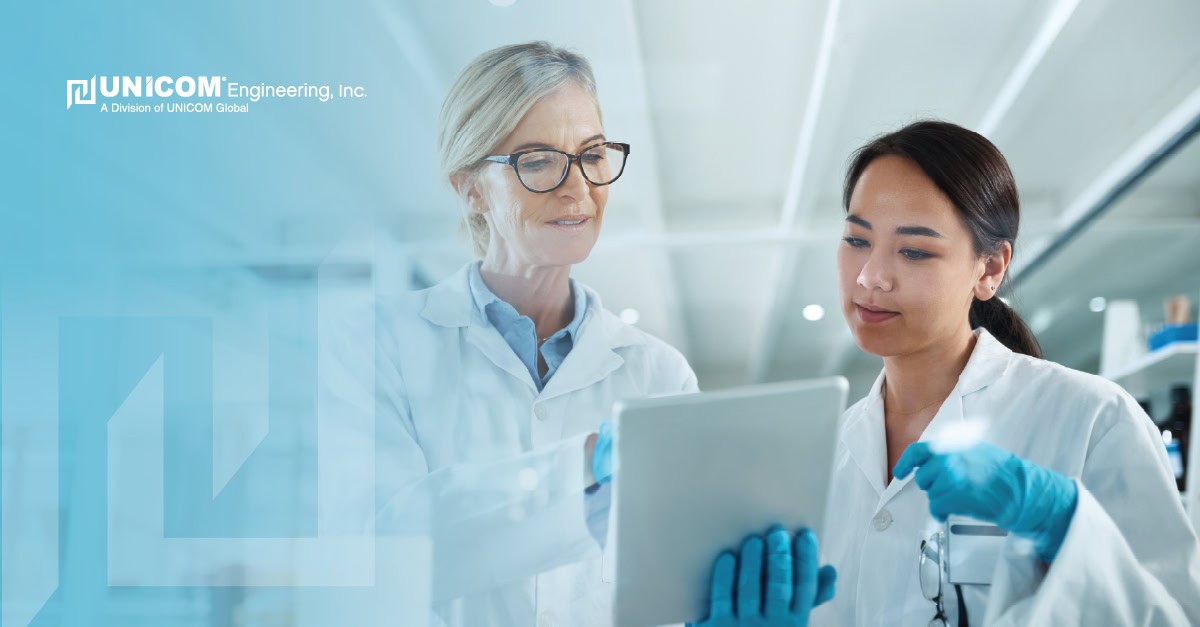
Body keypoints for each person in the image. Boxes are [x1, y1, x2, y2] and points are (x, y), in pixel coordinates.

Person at [691, 120, 1200, 626]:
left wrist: (1061, 521)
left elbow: (1172, 616)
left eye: (914, 250)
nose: (870, 276)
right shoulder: (820, 457)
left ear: (990, 269)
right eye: (856, 239)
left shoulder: (1092, 419)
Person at [319, 42, 696, 627]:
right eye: (539, 159)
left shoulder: (660, 374)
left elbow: (672, 576)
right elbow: (380, 556)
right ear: (470, 187)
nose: (579, 187)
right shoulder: (377, 344)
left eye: (592, 153)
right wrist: (582, 468)